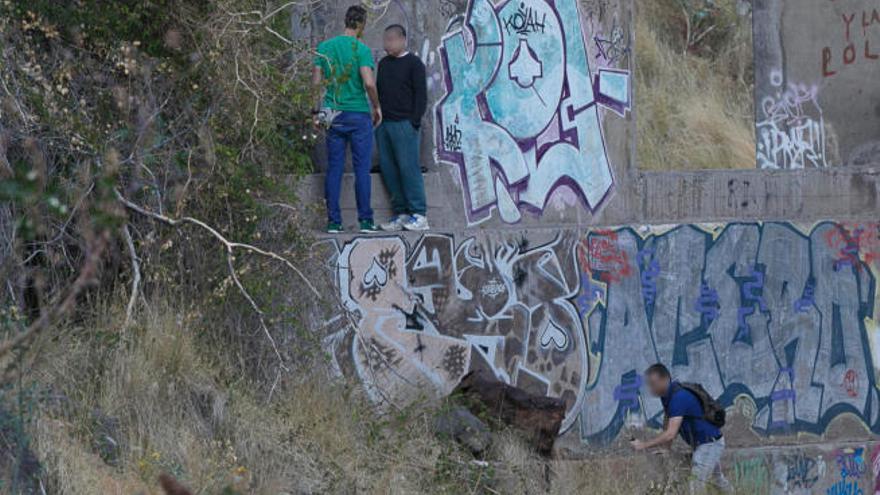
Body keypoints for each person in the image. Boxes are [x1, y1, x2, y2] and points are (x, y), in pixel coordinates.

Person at [313, 5, 382, 234]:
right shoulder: (361, 49)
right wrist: (377, 106)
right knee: (362, 169)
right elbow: (369, 83)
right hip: (358, 113)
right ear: (361, 24)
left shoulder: (324, 47)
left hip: (333, 114)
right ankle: (365, 221)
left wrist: (316, 112)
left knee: (334, 168)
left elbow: (315, 84)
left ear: (345, 21)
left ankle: (333, 222)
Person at [631, 364, 733, 494]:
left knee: (696, 486)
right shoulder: (667, 396)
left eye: (653, 383)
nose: (651, 388)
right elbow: (668, 423)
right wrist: (665, 448)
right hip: (705, 444)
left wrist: (643, 445)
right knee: (717, 480)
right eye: (649, 384)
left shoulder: (679, 398)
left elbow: (670, 434)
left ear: (665, 379)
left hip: (709, 444)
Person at [375, 24, 429, 232]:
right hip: (384, 125)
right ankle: (401, 214)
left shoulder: (414, 64)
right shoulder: (384, 64)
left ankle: (419, 214)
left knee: (409, 169)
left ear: (402, 40)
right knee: (389, 170)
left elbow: (421, 95)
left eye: (390, 39)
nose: (386, 43)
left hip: (405, 124)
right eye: (385, 39)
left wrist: (413, 122)